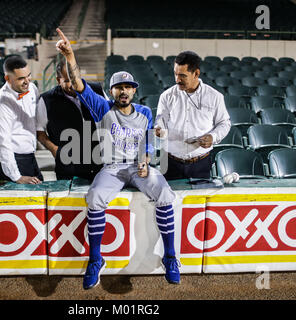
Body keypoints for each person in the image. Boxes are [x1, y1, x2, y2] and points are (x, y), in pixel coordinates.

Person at [56, 28, 180, 289]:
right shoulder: (102, 107)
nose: (124, 91)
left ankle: (170, 256)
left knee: (165, 194)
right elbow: (79, 84)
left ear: (134, 91)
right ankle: (96, 259)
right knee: (94, 198)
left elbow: (148, 142)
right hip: (112, 168)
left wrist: (145, 160)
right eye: (119, 87)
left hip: (138, 167)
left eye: (128, 87)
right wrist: (70, 55)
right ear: (111, 91)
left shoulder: (145, 111)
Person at [154, 51, 231, 180]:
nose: (177, 80)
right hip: (169, 161)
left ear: (196, 73)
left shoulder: (215, 97)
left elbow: (224, 123)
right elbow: (161, 120)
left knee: (200, 199)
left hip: (201, 163)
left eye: (182, 76)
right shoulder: (166, 96)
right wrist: (159, 128)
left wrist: (213, 136)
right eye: (175, 74)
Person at [36, 58, 105, 181]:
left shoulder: (96, 89)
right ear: (58, 80)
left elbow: (109, 116)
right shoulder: (46, 100)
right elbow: (40, 133)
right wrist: (55, 150)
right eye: (67, 80)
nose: (73, 84)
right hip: (68, 165)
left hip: (97, 161)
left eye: (75, 78)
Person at [0, 55, 43, 184]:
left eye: (28, 75)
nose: (27, 81)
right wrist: (16, 176)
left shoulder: (32, 89)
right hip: (9, 159)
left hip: (28, 156)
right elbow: (3, 144)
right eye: (21, 78)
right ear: (8, 78)